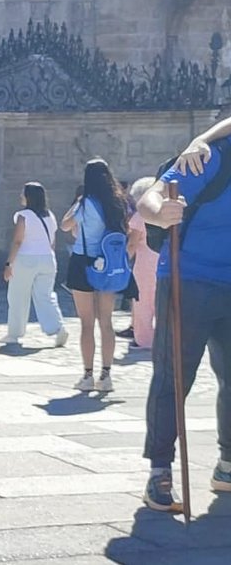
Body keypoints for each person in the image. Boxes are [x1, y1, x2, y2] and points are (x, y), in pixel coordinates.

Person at [138, 131, 231, 511]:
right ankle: (160, 471)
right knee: (174, 377)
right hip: (187, 279)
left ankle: (227, 466)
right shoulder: (208, 158)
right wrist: (160, 213)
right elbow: (150, 198)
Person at [60, 158, 128, 393]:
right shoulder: (117, 202)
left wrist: (78, 202)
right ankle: (106, 375)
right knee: (106, 322)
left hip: (83, 261)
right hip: (109, 262)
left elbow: (65, 225)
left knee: (87, 323)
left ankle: (88, 374)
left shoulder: (85, 203)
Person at [0, 182, 68, 348]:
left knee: (18, 297)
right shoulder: (50, 216)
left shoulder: (23, 216)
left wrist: (9, 263)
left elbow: (18, 241)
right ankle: (58, 328)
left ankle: (14, 333)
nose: (20, 196)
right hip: (47, 259)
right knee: (46, 296)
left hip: (26, 259)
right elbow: (52, 241)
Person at [126, 176, 158, 351]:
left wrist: (124, 262)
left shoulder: (140, 216)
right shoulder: (162, 212)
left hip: (145, 263)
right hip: (163, 260)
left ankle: (144, 339)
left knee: (143, 303)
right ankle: (165, 337)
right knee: (162, 302)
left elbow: (132, 243)